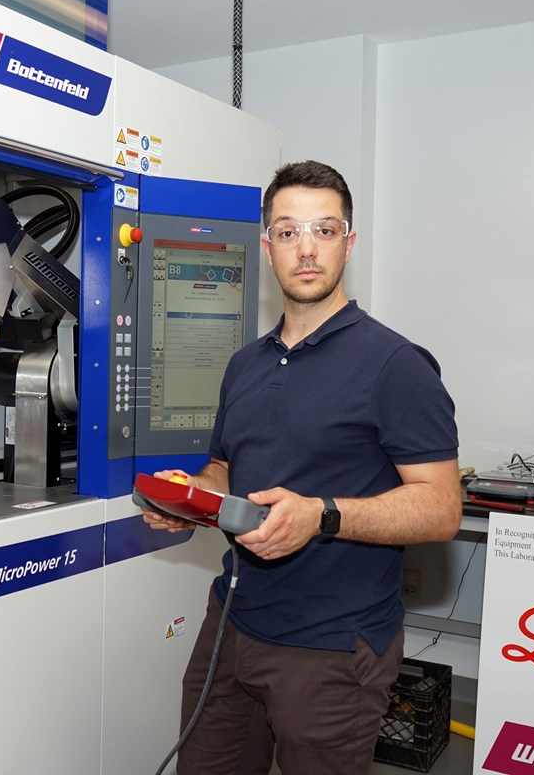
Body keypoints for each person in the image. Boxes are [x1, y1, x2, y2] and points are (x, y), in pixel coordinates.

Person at [141, 160, 461, 774]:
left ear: (349, 242)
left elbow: (442, 507)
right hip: (233, 622)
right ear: (267, 248)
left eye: (324, 230)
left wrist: (322, 515)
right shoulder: (245, 365)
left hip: (333, 645)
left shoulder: (395, 365)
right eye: (288, 232)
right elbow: (224, 468)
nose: (306, 249)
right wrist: (190, 497)